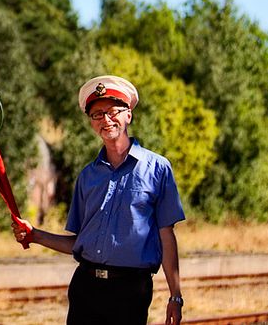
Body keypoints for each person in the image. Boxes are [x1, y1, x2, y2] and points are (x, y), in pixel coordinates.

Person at [12, 75, 185, 325]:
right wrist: (34, 234)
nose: (106, 119)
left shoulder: (158, 169)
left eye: (113, 111)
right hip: (85, 287)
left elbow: (166, 237)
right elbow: (78, 243)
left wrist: (175, 296)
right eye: (97, 114)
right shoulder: (87, 176)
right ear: (92, 123)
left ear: (128, 115)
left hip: (130, 292)